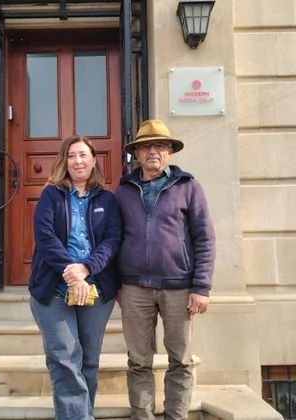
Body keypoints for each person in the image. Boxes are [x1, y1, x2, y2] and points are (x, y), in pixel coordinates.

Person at [114, 119, 216, 420]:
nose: (153, 151)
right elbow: (114, 238)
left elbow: (205, 238)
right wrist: (117, 284)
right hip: (134, 288)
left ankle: (176, 416)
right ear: (137, 153)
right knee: (138, 361)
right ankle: (142, 416)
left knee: (181, 361)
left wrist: (201, 287)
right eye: (146, 146)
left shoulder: (189, 187)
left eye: (159, 145)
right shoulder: (123, 190)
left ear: (170, 151)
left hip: (180, 288)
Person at [28, 135, 123, 420]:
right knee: (65, 358)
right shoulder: (51, 195)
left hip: (96, 289)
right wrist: (72, 273)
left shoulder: (107, 200)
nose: (78, 161)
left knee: (89, 362)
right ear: (64, 162)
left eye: (83, 155)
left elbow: (112, 239)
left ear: (94, 161)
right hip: (53, 291)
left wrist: (86, 269)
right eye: (71, 156)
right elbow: (45, 238)